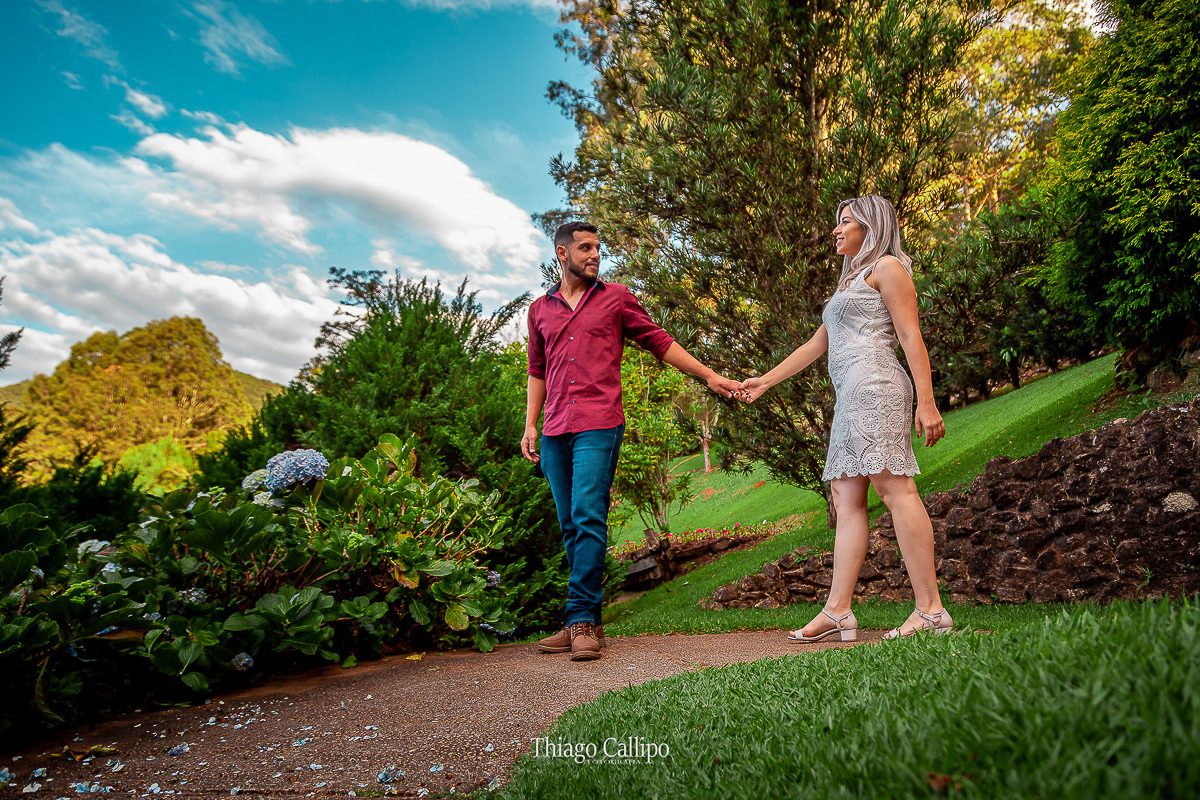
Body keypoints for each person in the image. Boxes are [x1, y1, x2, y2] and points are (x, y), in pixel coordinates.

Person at [735, 195, 951, 641]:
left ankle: (931, 611)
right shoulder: (850, 281)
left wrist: (926, 402)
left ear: (871, 227)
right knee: (844, 494)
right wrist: (764, 381)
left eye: (846, 222)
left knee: (894, 488)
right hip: (850, 395)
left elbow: (911, 335)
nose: (836, 229)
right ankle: (838, 611)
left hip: (878, 387)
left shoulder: (888, 268)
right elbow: (817, 345)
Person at [523, 221, 740, 661]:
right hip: (554, 427)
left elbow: (660, 343)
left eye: (598, 249)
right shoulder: (539, 309)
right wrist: (531, 425)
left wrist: (711, 376)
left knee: (588, 515)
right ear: (562, 254)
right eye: (585, 248)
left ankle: (580, 618)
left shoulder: (616, 298)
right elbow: (537, 370)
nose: (594, 255)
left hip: (599, 422)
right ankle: (590, 621)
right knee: (569, 523)